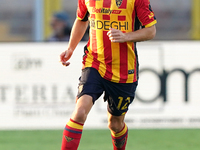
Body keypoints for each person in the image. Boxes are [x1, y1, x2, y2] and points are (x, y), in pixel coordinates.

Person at [60, 0, 157, 149]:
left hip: (124, 70)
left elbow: (150, 31)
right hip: (94, 63)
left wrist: (125, 36)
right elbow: (81, 19)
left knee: (115, 124)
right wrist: (70, 48)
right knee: (80, 112)